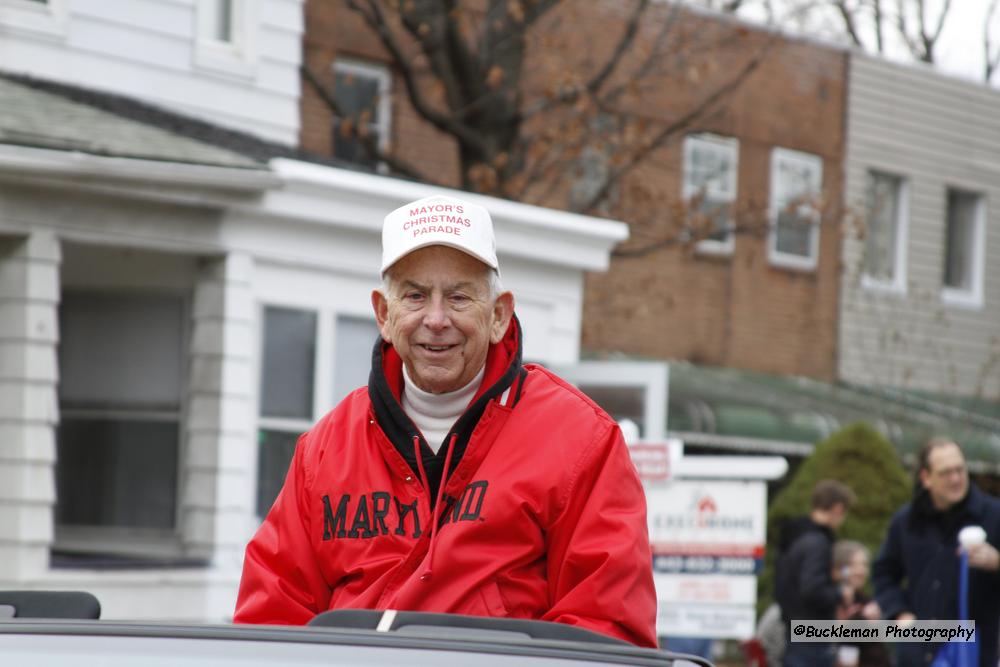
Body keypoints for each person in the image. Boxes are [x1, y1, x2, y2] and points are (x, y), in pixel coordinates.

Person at [233, 194, 658, 647]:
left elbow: (608, 630)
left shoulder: (582, 441)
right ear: (384, 313)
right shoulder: (323, 451)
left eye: (458, 297)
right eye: (415, 295)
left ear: (498, 315)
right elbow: (270, 624)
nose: (436, 320)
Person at [872, 437, 1000, 667]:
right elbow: (883, 573)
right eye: (945, 472)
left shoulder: (993, 515)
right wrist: (899, 613)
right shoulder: (907, 521)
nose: (956, 479)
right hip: (917, 653)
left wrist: (997, 562)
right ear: (926, 478)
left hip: (973, 655)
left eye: (960, 470)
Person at [774, 479, 857, 667]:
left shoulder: (794, 536)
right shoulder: (818, 542)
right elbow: (812, 589)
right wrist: (840, 593)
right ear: (837, 509)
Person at [831, 540, 887, 667]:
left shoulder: (867, 602)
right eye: (853, 565)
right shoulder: (831, 601)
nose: (860, 571)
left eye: (864, 565)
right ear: (839, 569)